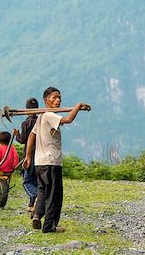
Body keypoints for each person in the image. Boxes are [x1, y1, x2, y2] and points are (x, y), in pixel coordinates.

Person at [24, 87, 90, 233]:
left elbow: (30, 137)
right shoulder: (48, 115)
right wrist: (78, 106)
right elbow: (67, 119)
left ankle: (36, 215)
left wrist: (28, 156)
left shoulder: (41, 117)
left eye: (59, 97)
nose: (58, 100)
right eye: (54, 97)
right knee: (54, 195)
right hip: (52, 162)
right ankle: (49, 226)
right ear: (46, 100)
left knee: (42, 191)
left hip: (40, 162)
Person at [13, 97, 39, 212]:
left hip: (29, 155)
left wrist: (16, 135)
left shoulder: (25, 123)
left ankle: (37, 196)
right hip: (40, 154)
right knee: (37, 180)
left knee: (27, 181)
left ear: (27, 110)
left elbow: (23, 140)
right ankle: (32, 205)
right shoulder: (41, 120)